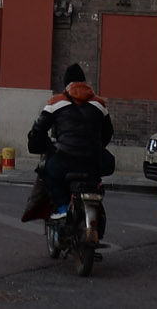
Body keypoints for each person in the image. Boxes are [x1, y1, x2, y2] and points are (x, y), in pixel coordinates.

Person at [26, 64, 114, 219]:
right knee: (97, 176)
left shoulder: (56, 102)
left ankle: (61, 208)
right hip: (92, 160)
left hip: (65, 159)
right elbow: (108, 132)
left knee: (47, 173)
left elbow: (39, 129)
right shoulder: (100, 104)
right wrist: (97, 147)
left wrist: (41, 145)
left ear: (66, 83)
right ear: (84, 82)